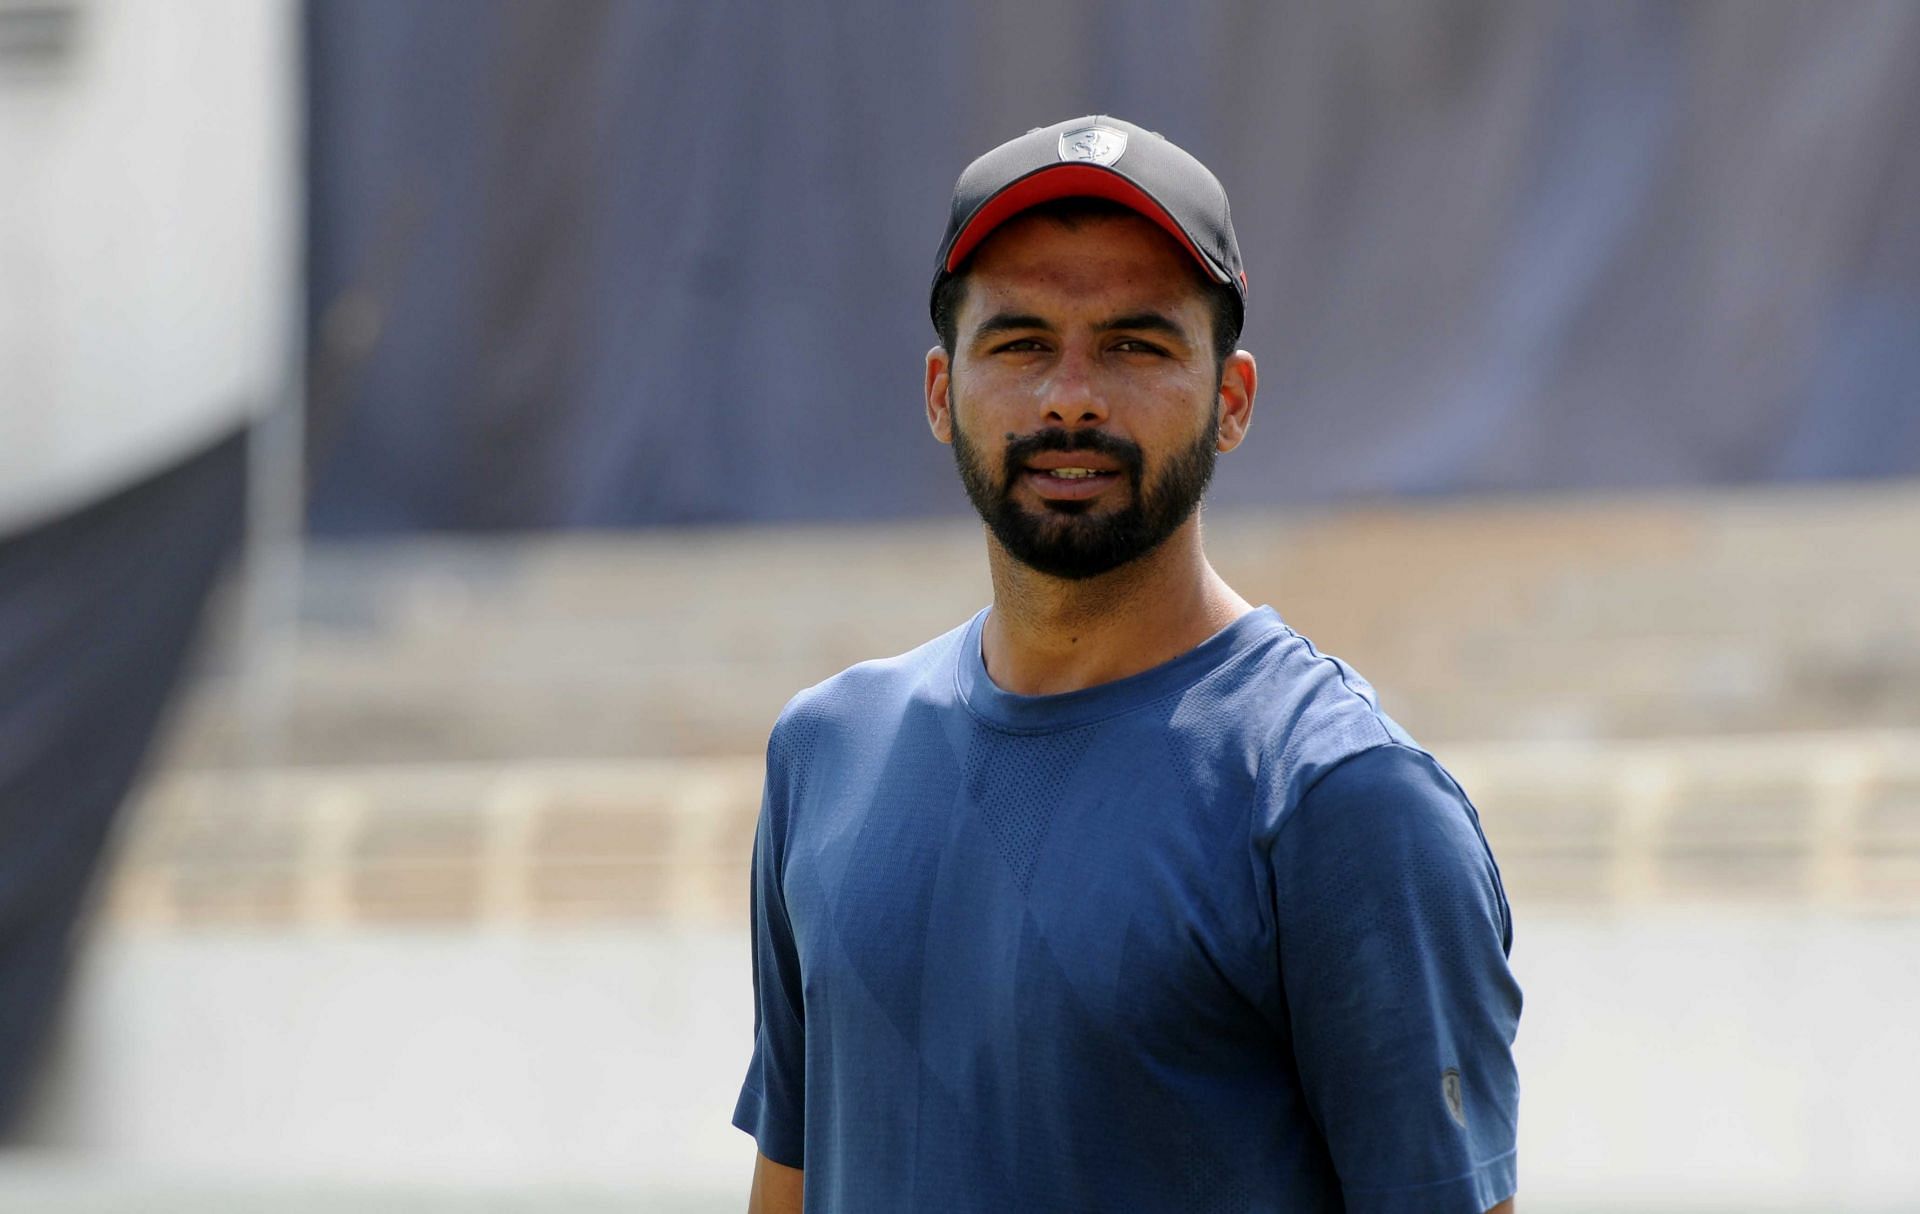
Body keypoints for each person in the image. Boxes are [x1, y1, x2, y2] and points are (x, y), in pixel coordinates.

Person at [733, 115, 1521, 1213]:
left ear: (1231, 399)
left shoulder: (1340, 798)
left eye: (1135, 345)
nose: (1070, 396)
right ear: (937, 390)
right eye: (1018, 343)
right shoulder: (827, 752)